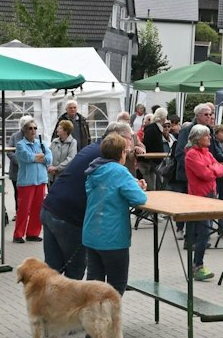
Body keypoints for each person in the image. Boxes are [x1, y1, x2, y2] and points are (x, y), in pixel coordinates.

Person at [43, 122, 135, 276]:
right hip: (70, 216)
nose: (131, 144)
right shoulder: (107, 156)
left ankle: (46, 292)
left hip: (51, 207)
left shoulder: (93, 148)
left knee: (52, 271)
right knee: (74, 270)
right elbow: (125, 189)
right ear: (118, 138)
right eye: (129, 139)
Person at [81, 132, 147, 293]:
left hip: (92, 233)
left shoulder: (94, 169)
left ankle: (94, 309)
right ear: (121, 153)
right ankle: (109, 310)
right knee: (116, 284)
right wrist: (138, 187)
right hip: (113, 237)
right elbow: (139, 199)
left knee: (94, 284)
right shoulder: (120, 171)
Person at [182, 125, 223, 282]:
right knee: (204, 232)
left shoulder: (207, 152)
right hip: (198, 197)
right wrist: (212, 169)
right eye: (207, 135)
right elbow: (205, 174)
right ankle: (197, 266)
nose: (210, 138)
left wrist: (212, 168)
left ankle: (197, 265)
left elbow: (221, 168)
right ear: (198, 138)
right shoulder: (191, 155)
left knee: (205, 231)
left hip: (210, 194)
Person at [12, 119, 50, 244]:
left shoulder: (42, 143)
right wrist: (40, 156)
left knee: (38, 209)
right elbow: (26, 157)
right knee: (24, 209)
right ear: (24, 131)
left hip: (41, 180)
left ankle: (33, 233)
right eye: (30, 128)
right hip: (27, 181)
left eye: (35, 128)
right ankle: (18, 234)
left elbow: (49, 158)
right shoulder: (20, 145)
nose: (33, 130)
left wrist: (37, 157)